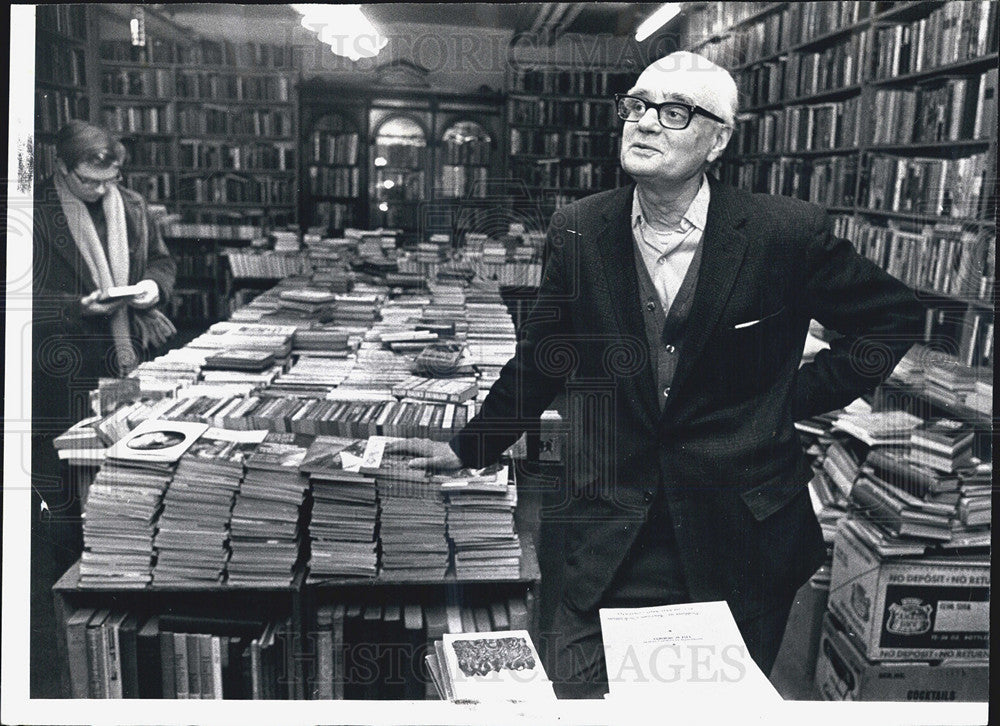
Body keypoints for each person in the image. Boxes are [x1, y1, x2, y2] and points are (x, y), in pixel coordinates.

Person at [387, 51, 924, 698]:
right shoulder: (579, 230)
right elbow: (541, 359)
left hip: (741, 541)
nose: (644, 124)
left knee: (714, 712)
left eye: (673, 113)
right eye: (636, 106)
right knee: (578, 698)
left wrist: (792, 397)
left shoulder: (785, 235)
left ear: (718, 138)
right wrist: (467, 448)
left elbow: (892, 318)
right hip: (609, 532)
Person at [32, 120, 177, 565]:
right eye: (90, 181)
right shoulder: (31, 208)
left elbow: (160, 261)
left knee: (120, 456)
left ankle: (120, 560)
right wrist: (75, 305)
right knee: (64, 471)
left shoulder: (131, 205)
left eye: (110, 179)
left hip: (124, 356)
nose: (101, 190)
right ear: (62, 166)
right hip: (62, 363)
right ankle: (68, 571)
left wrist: (153, 287)